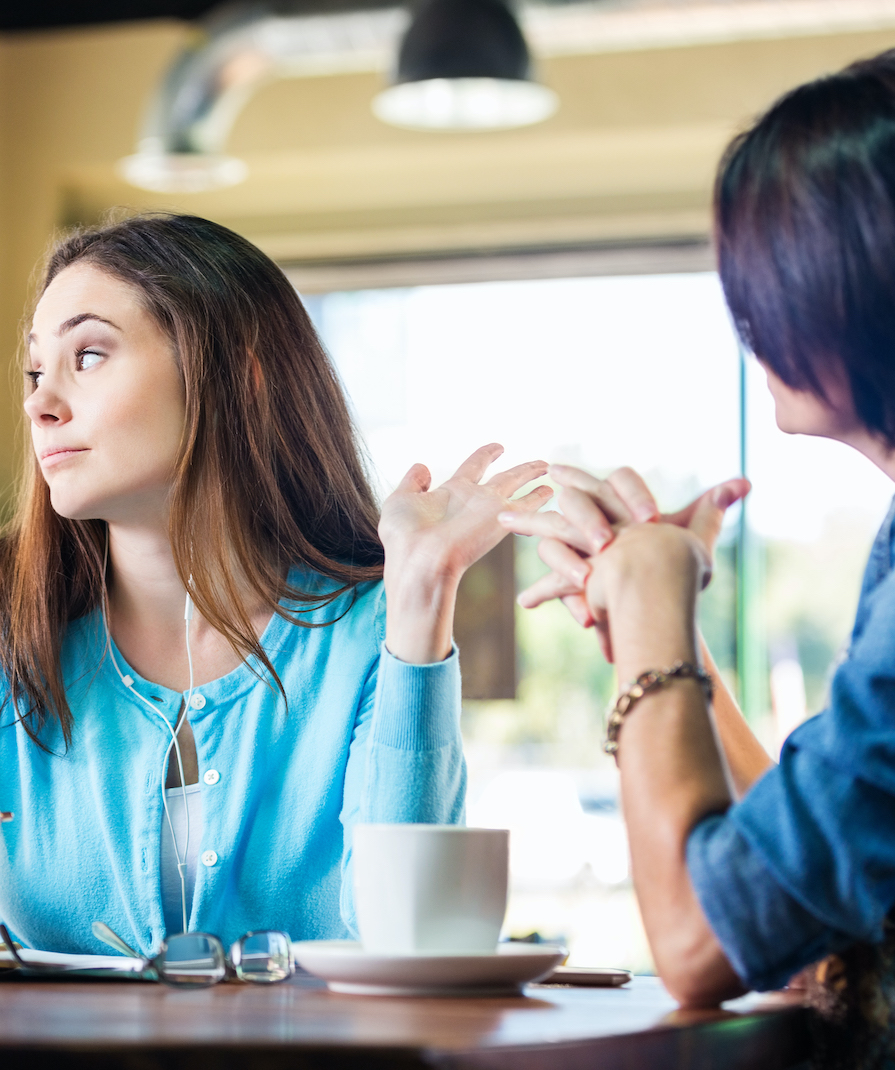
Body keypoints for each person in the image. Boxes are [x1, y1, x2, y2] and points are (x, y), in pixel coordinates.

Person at [501, 47, 895, 1068]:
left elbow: (704, 939)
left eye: (766, 271)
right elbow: (808, 862)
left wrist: (646, 613)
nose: (748, 317)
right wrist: (665, 630)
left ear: (877, 274)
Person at [0, 213, 550, 955]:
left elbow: (414, 938)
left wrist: (420, 600)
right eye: (36, 372)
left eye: (89, 355)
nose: (41, 403)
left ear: (239, 376)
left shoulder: (373, 635)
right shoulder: (14, 638)